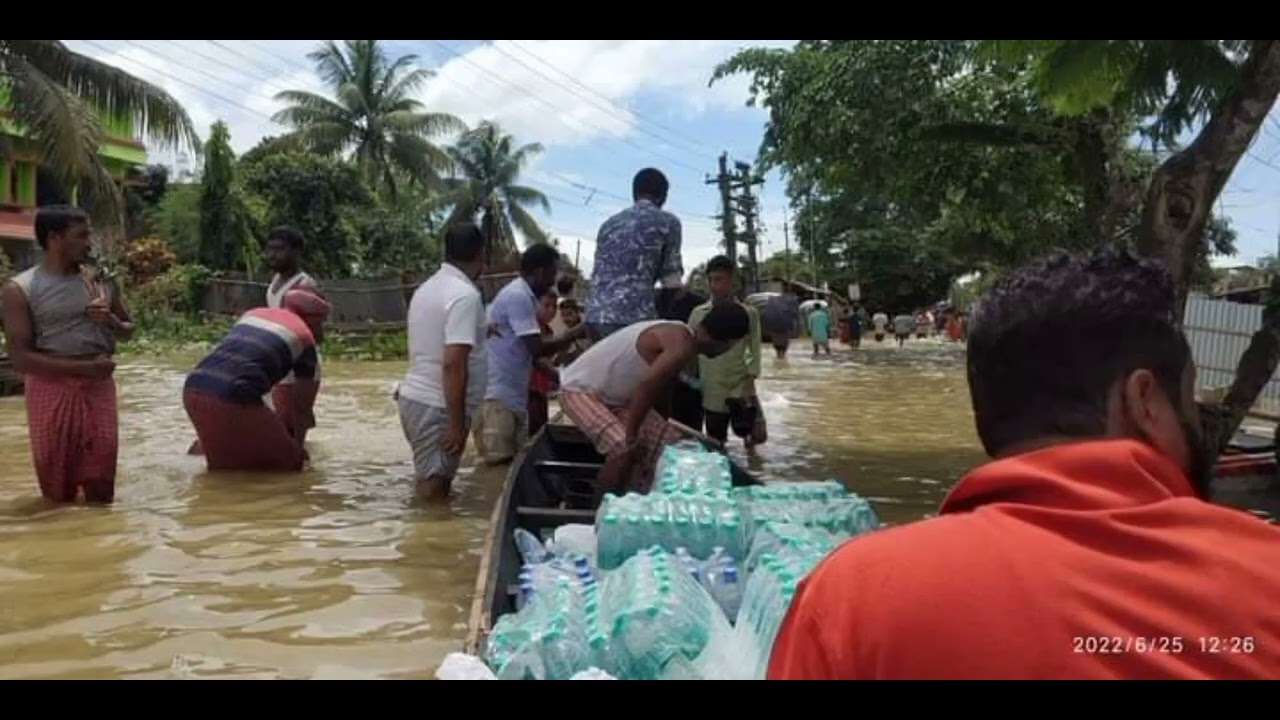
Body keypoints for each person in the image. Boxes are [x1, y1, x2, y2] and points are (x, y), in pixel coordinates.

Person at [767, 249, 1280, 680]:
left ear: (985, 413)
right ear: (1144, 400)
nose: (1199, 423)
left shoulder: (852, 598)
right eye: (1189, 400)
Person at [2, 206, 132, 503]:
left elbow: (128, 330)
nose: (89, 243)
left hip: (99, 387)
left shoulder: (101, 280)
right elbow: (21, 358)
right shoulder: (20, 289)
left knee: (102, 484)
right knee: (56, 486)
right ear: (55, 238)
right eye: (81, 235)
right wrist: (86, 369)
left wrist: (111, 321)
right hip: (51, 388)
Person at [559, 304, 750, 497]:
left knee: (670, 444)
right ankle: (600, 515)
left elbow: (663, 389)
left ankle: (641, 500)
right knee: (623, 448)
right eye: (731, 346)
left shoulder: (683, 339)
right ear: (724, 342)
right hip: (579, 391)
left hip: (618, 399)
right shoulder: (681, 344)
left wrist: (663, 424)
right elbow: (647, 385)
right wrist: (632, 435)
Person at [183, 289, 330, 472]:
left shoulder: (253, 314)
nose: (322, 330)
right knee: (291, 465)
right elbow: (301, 410)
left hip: (193, 387)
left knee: (221, 470)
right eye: (322, 323)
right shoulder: (305, 340)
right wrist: (297, 451)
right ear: (314, 319)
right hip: (236, 394)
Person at [397, 222, 488, 500]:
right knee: (433, 492)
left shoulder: (428, 288)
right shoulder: (465, 296)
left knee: (430, 483)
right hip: (438, 407)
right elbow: (453, 363)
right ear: (480, 254)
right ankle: (428, 543)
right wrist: (456, 424)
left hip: (418, 399)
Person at [478, 244, 587, 465]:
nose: (552, 280)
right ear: (540, 271)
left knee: (509, 468)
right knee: (498, 470)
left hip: (511, 399)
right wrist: (577, 332)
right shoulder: (518, 296)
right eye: (552, 273)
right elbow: (536, 348)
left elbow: (531, 356)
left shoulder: (524, 297)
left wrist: (562, 377)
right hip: (498, 399)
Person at [584, 168, 683, 341]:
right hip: (633, 318)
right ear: (663, 197)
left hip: (594, 316)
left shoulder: (608, 225)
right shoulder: (667, 222)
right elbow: (672, 283)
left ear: (634, 193)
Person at [689, 256, 762, 449]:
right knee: (716, 440)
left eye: (720, 279)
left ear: (733, 281)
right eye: (712, 280)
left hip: (741, 382)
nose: (714, 285)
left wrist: (751, 376)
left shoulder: (749, 313)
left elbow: (754, 347)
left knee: (756, 435)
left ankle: (753, 466)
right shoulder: (698, 314)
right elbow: (690, 351)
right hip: (712, 385)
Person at [263, 226, 324, 438]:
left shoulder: (304, 287)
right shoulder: (274, 282)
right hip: (278, 362)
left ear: (297, 252)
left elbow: (317, 335)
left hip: (300, 365)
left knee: (293, 428)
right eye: (269, 249)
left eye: (279, 249)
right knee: (281, 424)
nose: (272, 254)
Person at [528, 289, 561, 437]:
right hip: (529, 389)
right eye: (546, 306)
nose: (551, 311)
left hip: (542, 389)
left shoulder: (548, 331)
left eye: (554, 307)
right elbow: (538, 358)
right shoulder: (531, 330)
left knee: (540, 428)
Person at [762, 292, 800, 358]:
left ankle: (779, 354)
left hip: (774, 327)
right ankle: (782, 355)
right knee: (784, 342)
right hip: (784, 327)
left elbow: (766, 316)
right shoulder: (788, 306)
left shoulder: (771, 306)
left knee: (777, 341)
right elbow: (794, 316)